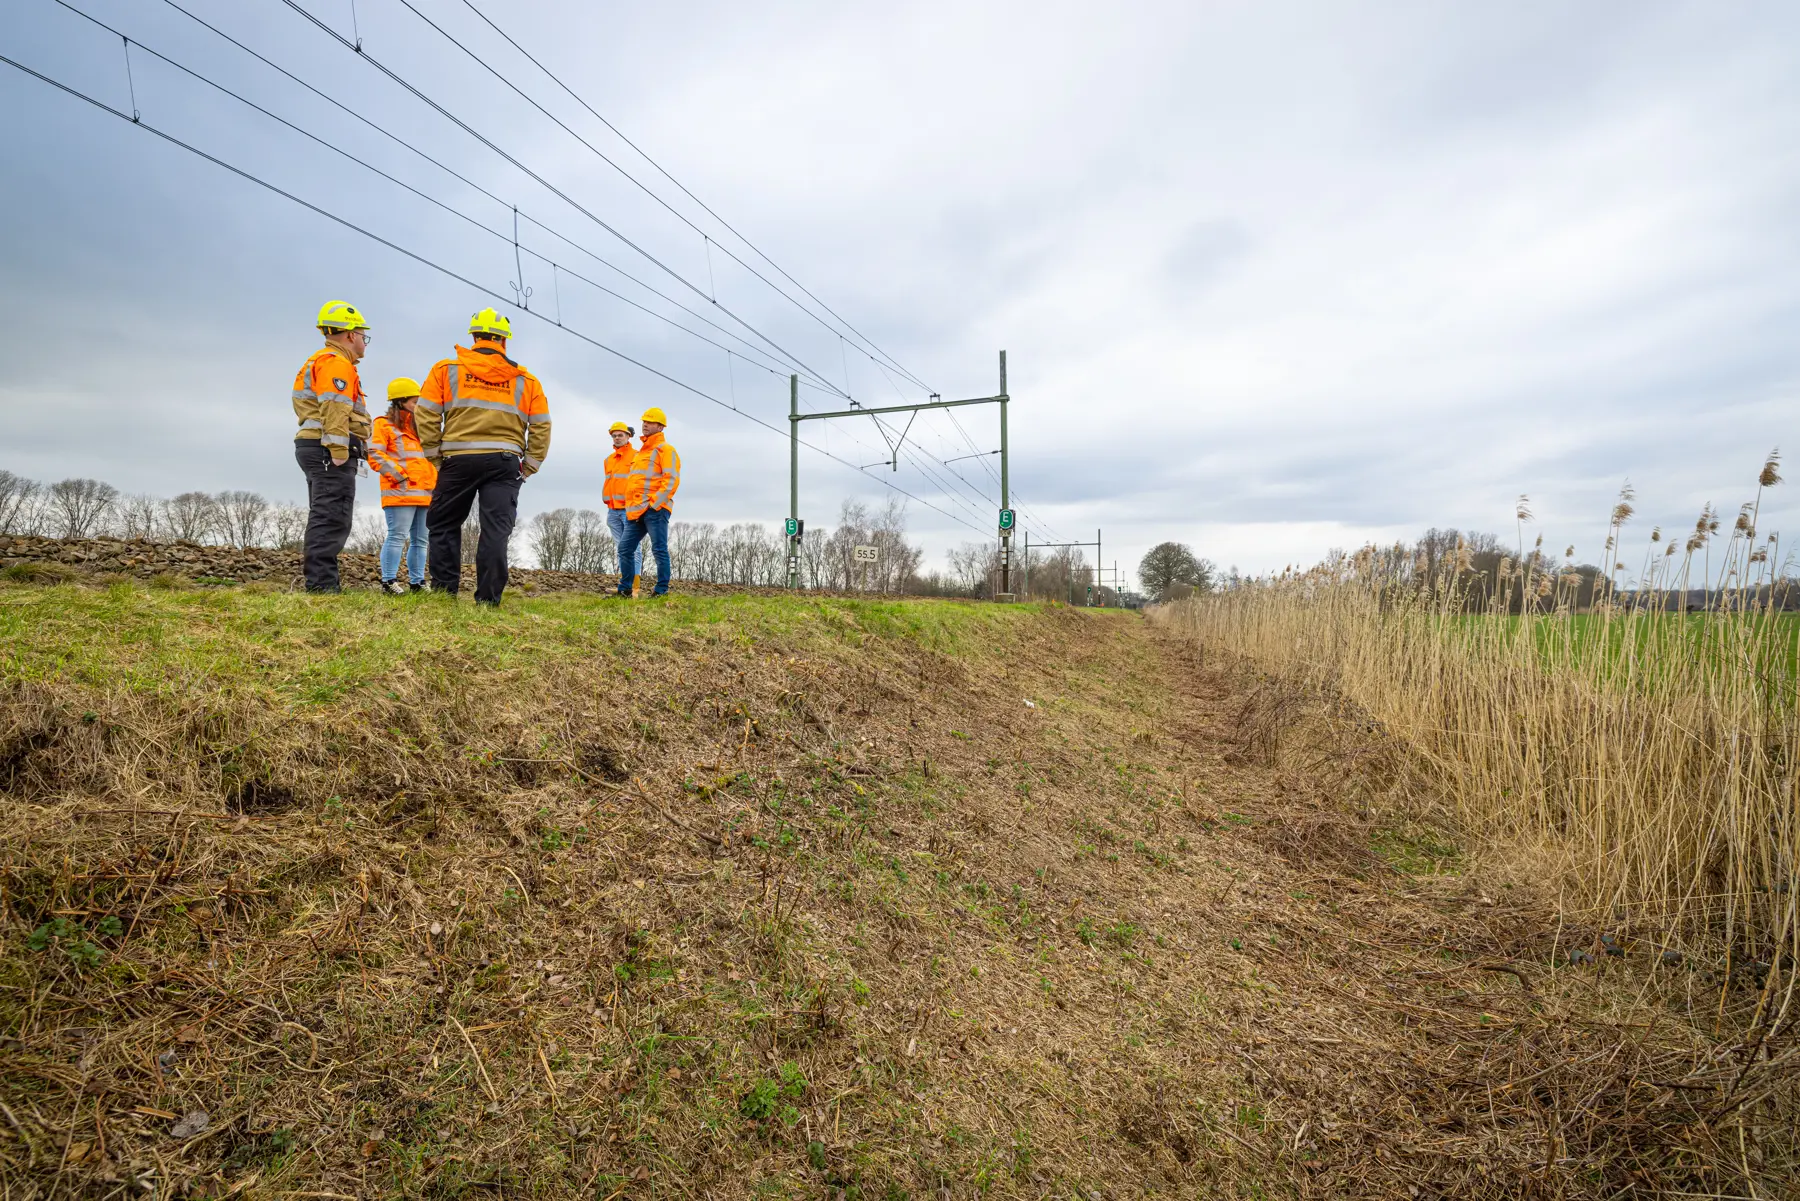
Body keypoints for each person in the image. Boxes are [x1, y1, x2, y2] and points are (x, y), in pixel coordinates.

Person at [415, 308, 551, 605]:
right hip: (504, 461)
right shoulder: (526, 381)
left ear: (474, 336)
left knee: (443, 525)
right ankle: (488, 601)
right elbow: (541, 425)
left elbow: (424, 413)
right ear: (504, 341)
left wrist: (434, 455)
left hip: (457, 459)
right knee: (495, 532)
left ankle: (443, 594)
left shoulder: (445, 370)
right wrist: (529, 465)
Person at [291, 301, 372, 592]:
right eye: (364, 335)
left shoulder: (321, 361)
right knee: (331, 516)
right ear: (350, 335)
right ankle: (322, 586)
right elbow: (335, 408)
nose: (365, 342)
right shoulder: (336, 363)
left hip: (315, 446)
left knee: (327, 513)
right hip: (328, 450)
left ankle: (323, 582)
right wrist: (338, 451)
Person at [367, 377, 436, 594]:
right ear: (400, 402)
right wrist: (400, 477)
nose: (419, 407)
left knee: (421, 540)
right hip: (400, 492)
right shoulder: (382, 424)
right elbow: (373, 453)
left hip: (425, 493)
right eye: (415, 402)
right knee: (397, 536)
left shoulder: (421, 430)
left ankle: (417, 583)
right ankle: (388, 582)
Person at [617, 407, 680, 597]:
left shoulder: (666, 450)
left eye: (650, 422)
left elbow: (671, 480)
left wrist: (654, 504)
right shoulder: (640, 453)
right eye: (644, 421)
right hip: (636, 511)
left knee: (659, 549)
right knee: (624, 549)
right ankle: (625, 589)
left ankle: (661, 590)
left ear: (660, 427)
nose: (645, 424)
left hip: (655, 509)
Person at [601, 421, 642, 591]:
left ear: (628, 436)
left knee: (634, 549)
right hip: (613, 511)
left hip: (630, 510)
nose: (617, 438)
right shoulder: (608, 460)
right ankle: (625, 585)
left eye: (620, 435)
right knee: (621, 549)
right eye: (614, 436)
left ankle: (635, 588)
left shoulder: (637, 456)